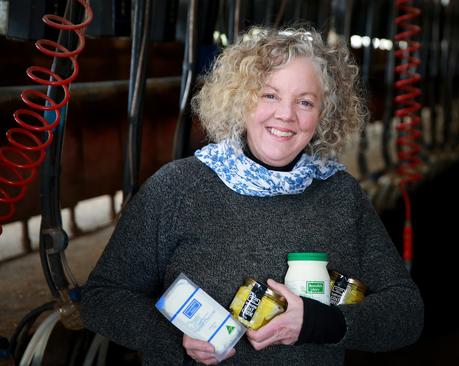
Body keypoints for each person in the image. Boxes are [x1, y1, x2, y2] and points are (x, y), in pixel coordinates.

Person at [80, 26, 424, 365]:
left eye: (305, 102)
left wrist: (318, 322)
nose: (286, 115)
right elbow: (102, 297)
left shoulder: (340, 195)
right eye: (269, 95)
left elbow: (405, 313)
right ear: (240, 99)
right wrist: (173, 337)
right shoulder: (177, 188)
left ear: (324, 116)